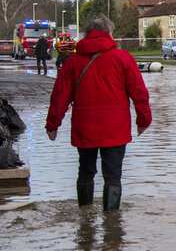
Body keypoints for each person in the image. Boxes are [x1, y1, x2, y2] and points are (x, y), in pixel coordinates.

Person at [45, 16, 152, 211]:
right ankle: (112, 223)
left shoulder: (72, 62)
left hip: (84, 126)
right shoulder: (123, 58)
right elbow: (139, 93)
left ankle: (85, 217)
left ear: (87, 34)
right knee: (113, 174)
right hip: (115, 128)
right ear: (110, 34)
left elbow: (59, 96)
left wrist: (52, 125)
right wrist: (143, 119)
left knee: (85, 171)